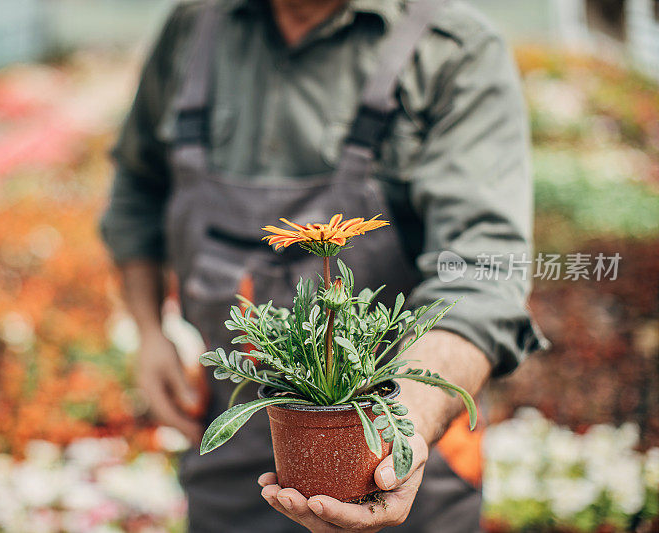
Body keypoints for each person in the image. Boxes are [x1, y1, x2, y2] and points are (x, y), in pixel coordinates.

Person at [100, 0, 545, 531]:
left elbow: (483, 272)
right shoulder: (194, 26)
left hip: (399, 451)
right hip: (230, 437)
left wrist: (397, 429)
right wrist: (150, 331)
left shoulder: (452, 48)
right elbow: (138, 186)